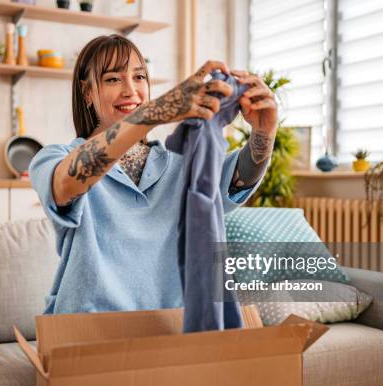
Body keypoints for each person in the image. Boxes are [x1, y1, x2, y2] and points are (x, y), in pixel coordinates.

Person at [29, 34, 278, 315]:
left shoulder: (181, 164)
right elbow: (64, 184)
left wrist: (265, 132)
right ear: (87, 93)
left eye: (139, 77)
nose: (130, 90)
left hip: (167, 330)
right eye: (113, 79)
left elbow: (236, 181)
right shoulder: (54, 158)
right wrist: (155, 112)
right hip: (87, 331)